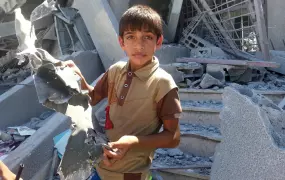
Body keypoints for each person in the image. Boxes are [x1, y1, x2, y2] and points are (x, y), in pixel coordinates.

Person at [63, 5, 182, 180]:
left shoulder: (163, 83)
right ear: (121, 42)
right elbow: (93, 97)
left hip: (131, 173)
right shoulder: (116, 70)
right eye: (131, 37)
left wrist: (133, 142)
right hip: (102, 165)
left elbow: (173, 137)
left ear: (158, 42)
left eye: (147, 37)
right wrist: (77, 76)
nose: (139, 45)